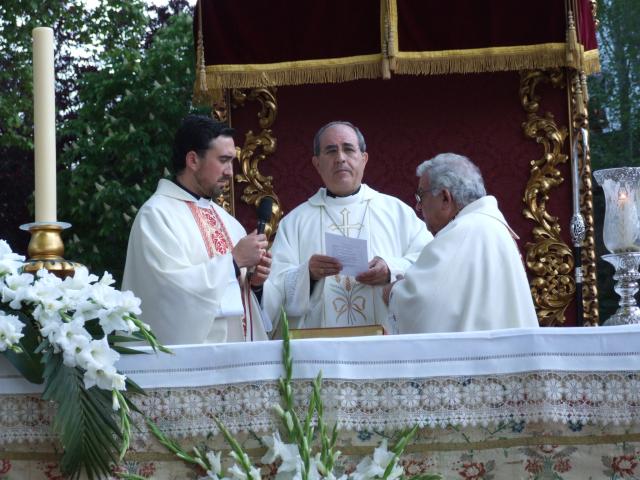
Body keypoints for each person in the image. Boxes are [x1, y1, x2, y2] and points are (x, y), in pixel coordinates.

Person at [264, 121, 431, 333]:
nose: (340, 158)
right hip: (320, 354)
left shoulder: (397, 212)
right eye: (331, 151)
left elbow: (430, 265)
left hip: (385, 346)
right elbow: (273, 290)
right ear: (317, 163)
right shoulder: (295, 222)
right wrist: (308, 275)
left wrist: (391, 269)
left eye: (349, 149)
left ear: (364, 158)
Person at [122, 114, 271, 345]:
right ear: (193, 160)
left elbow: (241, 306)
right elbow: (167, 294)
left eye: (231, 161)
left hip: (237, 360)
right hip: (188, 364)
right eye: (223, 160)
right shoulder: (157, 216)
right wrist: (233, 262)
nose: (230, 172)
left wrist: (255, 283)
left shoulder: (229, 223)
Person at [383, 153, 539, 333]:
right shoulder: (492, 226)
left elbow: (422, 302)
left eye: (421, 196)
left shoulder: (461, 234)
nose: (418, 206)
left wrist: (394, 293)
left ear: (445, 198)